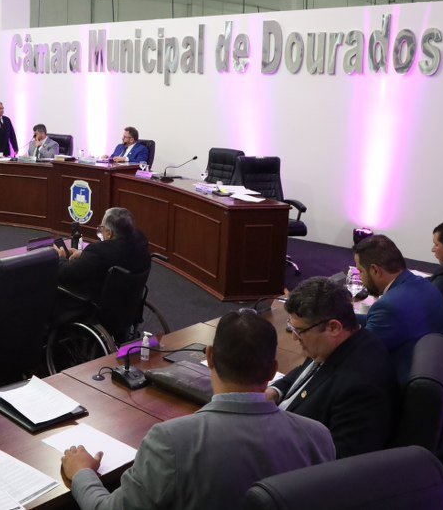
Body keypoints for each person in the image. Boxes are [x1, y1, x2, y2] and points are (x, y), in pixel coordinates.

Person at [60, 310, 335, 510]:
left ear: (210, 356)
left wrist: (82, 473)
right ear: (273, 370)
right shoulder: (318, 436)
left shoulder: (171, 441)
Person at [266, 276, 398, 458]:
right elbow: (304, 373)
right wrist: (274, 391)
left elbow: (338, 462)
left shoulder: (360, 387)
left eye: (300, 331)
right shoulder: (339, 343)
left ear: (333, 328)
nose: (295, 337)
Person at [353, 234, 443, 380]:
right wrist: (345, 317)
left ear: (375, 270)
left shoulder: (389, 307)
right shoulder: (422, 283)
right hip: (441, 370)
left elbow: (360, 355)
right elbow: (377, 321)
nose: (360, 277)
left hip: (402, 382)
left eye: (360, 271)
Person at [54, 207, 150, 304]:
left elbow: (66, 274)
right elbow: (110, 257)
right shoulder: (141, 241)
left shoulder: (98, 252)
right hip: (129, 303)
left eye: (102, 227)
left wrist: (60, 257)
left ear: (109, 233)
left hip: (98, 305)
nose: (100, 229)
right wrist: (85, 255)